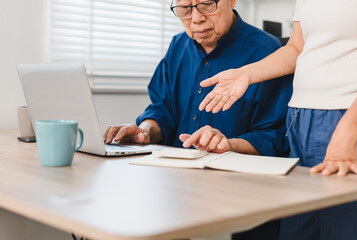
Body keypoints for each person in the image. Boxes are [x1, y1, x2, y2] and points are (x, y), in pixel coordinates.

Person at [104, 0, 292, 239]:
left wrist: (229, 145)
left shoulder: (268, 53)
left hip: (242, 196)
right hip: (175, 187)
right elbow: (162, 109)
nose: (196, 19)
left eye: (206, 4)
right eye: (184, 8)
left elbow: (276, 137)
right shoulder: (177, 46)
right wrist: (145, 130)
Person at [198, 0, 357, 239]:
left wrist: (347, 131)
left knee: (343, 229)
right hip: (300, 120)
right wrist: (245, 74)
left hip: (347, 118)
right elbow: (296, 48)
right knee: (299, 230)